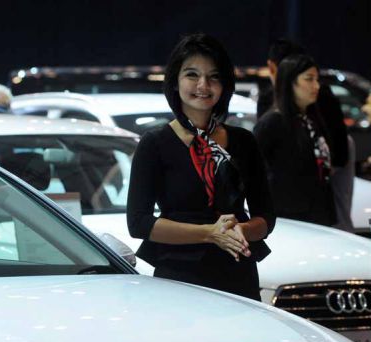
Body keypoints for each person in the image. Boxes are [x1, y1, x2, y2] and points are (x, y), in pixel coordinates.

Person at [127, 33, 275, 301]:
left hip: (238, 271)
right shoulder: (155, 143)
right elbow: (139, 223)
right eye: (192, 75)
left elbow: (266, 217)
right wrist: (209, 234)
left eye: (214, 77)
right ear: (175, 81)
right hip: (180, 276)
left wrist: (241, 230)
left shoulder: (244, 141)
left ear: (225, 85)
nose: (203, 85)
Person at [256, 39, 353, 230]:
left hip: (318, 215)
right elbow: (251, 168)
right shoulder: (272, 122)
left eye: (317, 79)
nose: (316, 86)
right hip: (290, 219)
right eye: (309, 79)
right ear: (290, 82)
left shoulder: (309, 119)